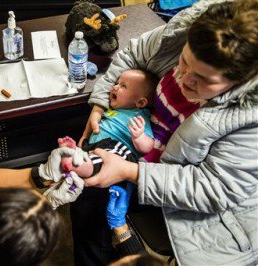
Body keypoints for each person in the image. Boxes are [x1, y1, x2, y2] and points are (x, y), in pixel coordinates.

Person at [71, 0, 258, 265]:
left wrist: (129, 171)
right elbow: (132, 55)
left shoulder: (250, 118)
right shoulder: (182, 33)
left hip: (191, 193)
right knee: (86, 184)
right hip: (145, 146)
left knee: (91, 197)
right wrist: (100, 105)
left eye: (203, 80)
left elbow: (214, 188)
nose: (184, 78)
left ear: (238, 83)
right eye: (184, 61)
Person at [58, 69, 157, 179]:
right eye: (116, 83)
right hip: (95, 146)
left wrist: (139, 136)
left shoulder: (139, 116)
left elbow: (148, 146)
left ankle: (73, 163)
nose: (115, 87)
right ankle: (74, 158)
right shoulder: (114, 108)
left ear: (140, 102)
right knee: (89, 157)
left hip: (118, 150)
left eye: (123, 86)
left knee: (100, 162)